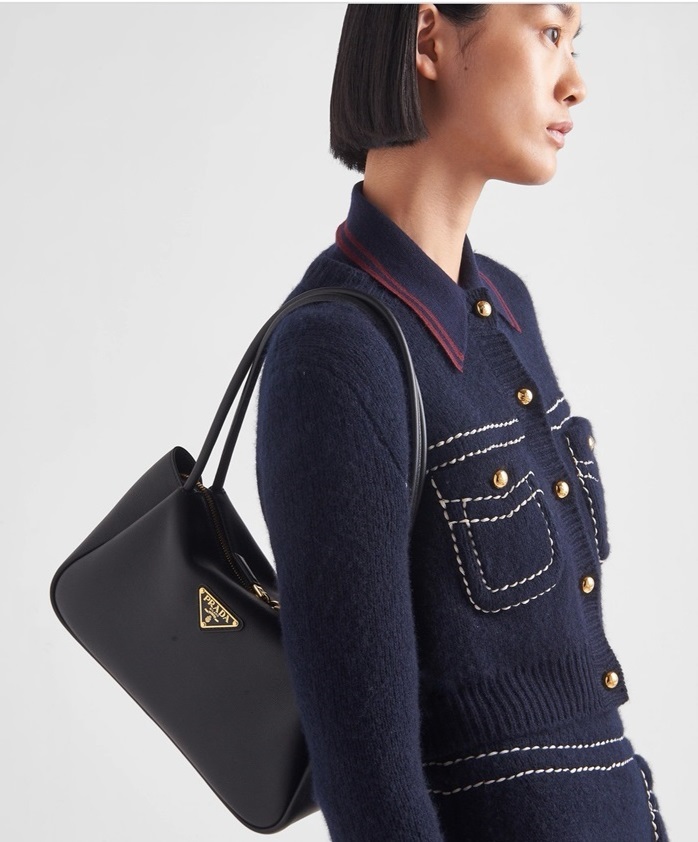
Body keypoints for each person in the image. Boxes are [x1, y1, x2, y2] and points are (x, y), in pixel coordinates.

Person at [255, 4, 668, 840]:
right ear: (427, 38)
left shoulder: (506, 305)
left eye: (575, 44)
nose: (575, 82)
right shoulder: (336, 353)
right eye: (549, 32)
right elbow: (371, 794)